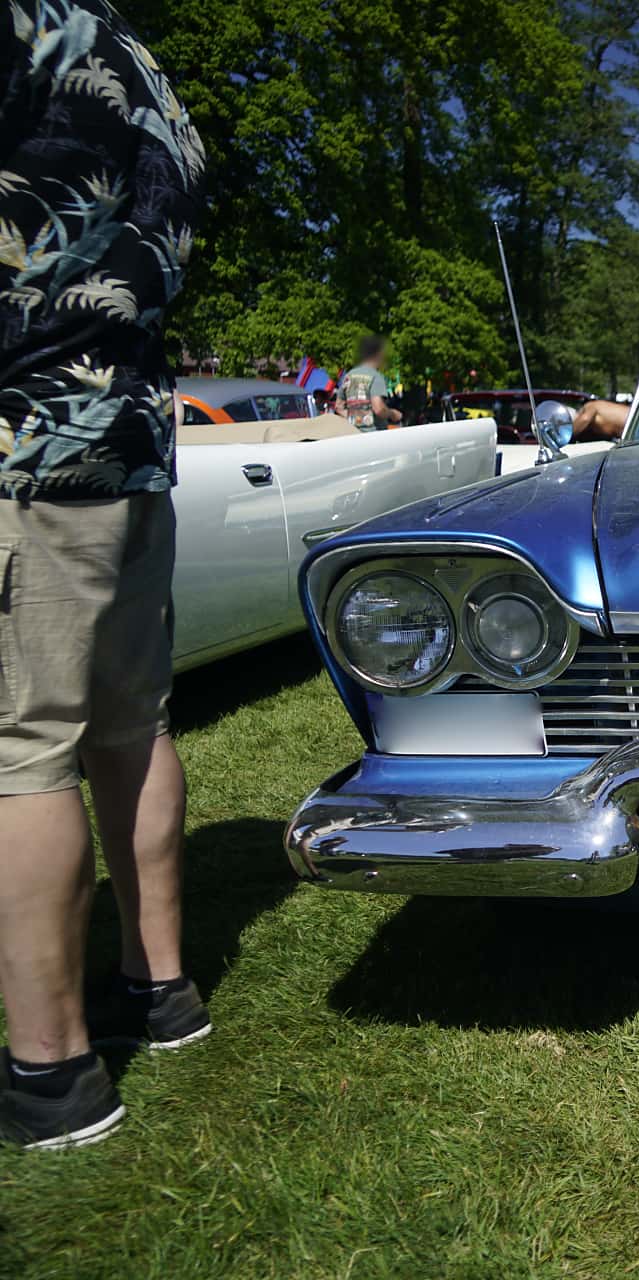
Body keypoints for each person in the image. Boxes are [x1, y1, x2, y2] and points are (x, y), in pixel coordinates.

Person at [0, 0, 207, 1150]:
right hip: (128, 441)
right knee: (131, 721)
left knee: (20, 749)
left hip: (21, 441)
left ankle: (52, 1071)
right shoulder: (143, 65)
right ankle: (162, 988)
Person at [338, 336, 403, 431]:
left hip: (353, 433)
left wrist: (353, 420)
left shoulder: (348, 376)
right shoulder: (376, 377)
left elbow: (338, 406)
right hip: (374, 435)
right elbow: (379, 409)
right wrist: (393, 414)